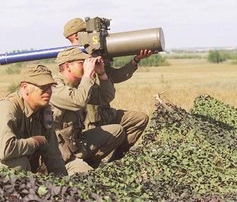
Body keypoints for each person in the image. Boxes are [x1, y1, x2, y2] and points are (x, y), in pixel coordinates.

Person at [62, 18, 152, 162]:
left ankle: (116, 161)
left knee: (140, 119)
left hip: (105, 111)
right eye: (85, 33)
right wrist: (86, 70)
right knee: (95, 146)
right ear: (76, 36)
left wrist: (136, 60)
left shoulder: (97, 56)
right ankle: (93, 163)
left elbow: (115, 76)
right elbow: (75, 97)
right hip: (89, 118)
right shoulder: (72, 62)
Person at [49, 47, 125, 175]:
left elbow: (105, 97)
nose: (86, 66)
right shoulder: (54, 86)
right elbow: (78, 101)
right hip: (58, 149)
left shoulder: (80, 84)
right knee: (89, 180)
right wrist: (87, 76)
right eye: (81, 63)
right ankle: (74, 169)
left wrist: (101, 74)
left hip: (74, 141)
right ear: (68, 66)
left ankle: (86, 164)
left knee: (117, 131)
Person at [0, 65, 68, 176]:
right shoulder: (8, 107)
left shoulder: (44, 111)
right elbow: (5, 149)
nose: (48, 91)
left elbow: (53, 155)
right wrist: (35, 142)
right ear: (25, 87)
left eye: (50, 87)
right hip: (8, 165)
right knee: (19, 163)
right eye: (43, 87)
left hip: (28, 168)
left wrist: (65, 183)